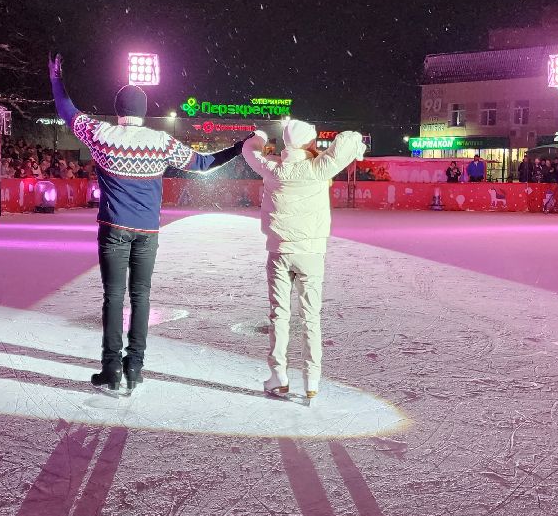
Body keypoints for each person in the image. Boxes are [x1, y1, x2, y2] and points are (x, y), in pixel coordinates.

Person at [49, 53, 246, 396]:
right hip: (148, 234)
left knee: (113, 298)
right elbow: (204, 164)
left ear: (117, 108)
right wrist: (239, 149)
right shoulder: (161, 142)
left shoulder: (101, 135)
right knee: (141, 297)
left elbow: (67, 111)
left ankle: (110, 367)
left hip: (113, 229)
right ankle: (135, 366)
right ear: (143, 110)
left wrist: (56, 80)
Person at [242, 119, 366, 401]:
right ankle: (311, 379)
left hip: (279, 251)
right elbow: (348, 138)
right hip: (311, 253)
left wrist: (260, 136)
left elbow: (249, 150)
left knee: (279, 315)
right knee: (310, 317)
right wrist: (350, 145)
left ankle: (279, 375)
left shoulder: (273, 168)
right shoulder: (318, 167)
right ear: (309, 142)